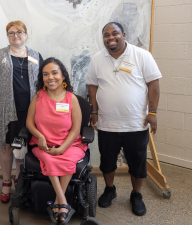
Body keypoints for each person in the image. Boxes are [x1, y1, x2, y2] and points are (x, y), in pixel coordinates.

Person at [86, 22, 162, 216]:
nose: (110, 38)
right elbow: (92, 87)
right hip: (107, 124)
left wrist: (152, 113)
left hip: (136, 124)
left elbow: (153, 84)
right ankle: (110, 190)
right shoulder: (97, 59)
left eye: (115, 33)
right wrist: (93, 112)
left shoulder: (142, 55)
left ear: (124, 34)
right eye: (106, 35)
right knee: (107, 162)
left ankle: (136, 195)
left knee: (137, 163)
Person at [0, 20, 43, 203]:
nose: (15, 35)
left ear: (26, 34)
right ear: (8, 36)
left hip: (30, 110)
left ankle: (20, 183)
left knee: (22, 148)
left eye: (19, 32)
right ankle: (6, 183)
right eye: (11, 33)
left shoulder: (36, 55)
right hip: (6, 109)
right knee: (7, 147)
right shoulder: (0, 55)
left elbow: (43, 84)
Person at [26, 58, 87, 225]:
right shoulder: (39, 95)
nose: (50, 77)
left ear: (63, 76)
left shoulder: (71, 98)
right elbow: (29, 123)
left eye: (54, 73)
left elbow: (76, 129)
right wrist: (40, 136)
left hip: (69, 144)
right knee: (49, 158)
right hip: (43, 144)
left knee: (66, 158)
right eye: (45, 74)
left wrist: (61, 149)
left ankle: (58, 202)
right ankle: (63, 202)